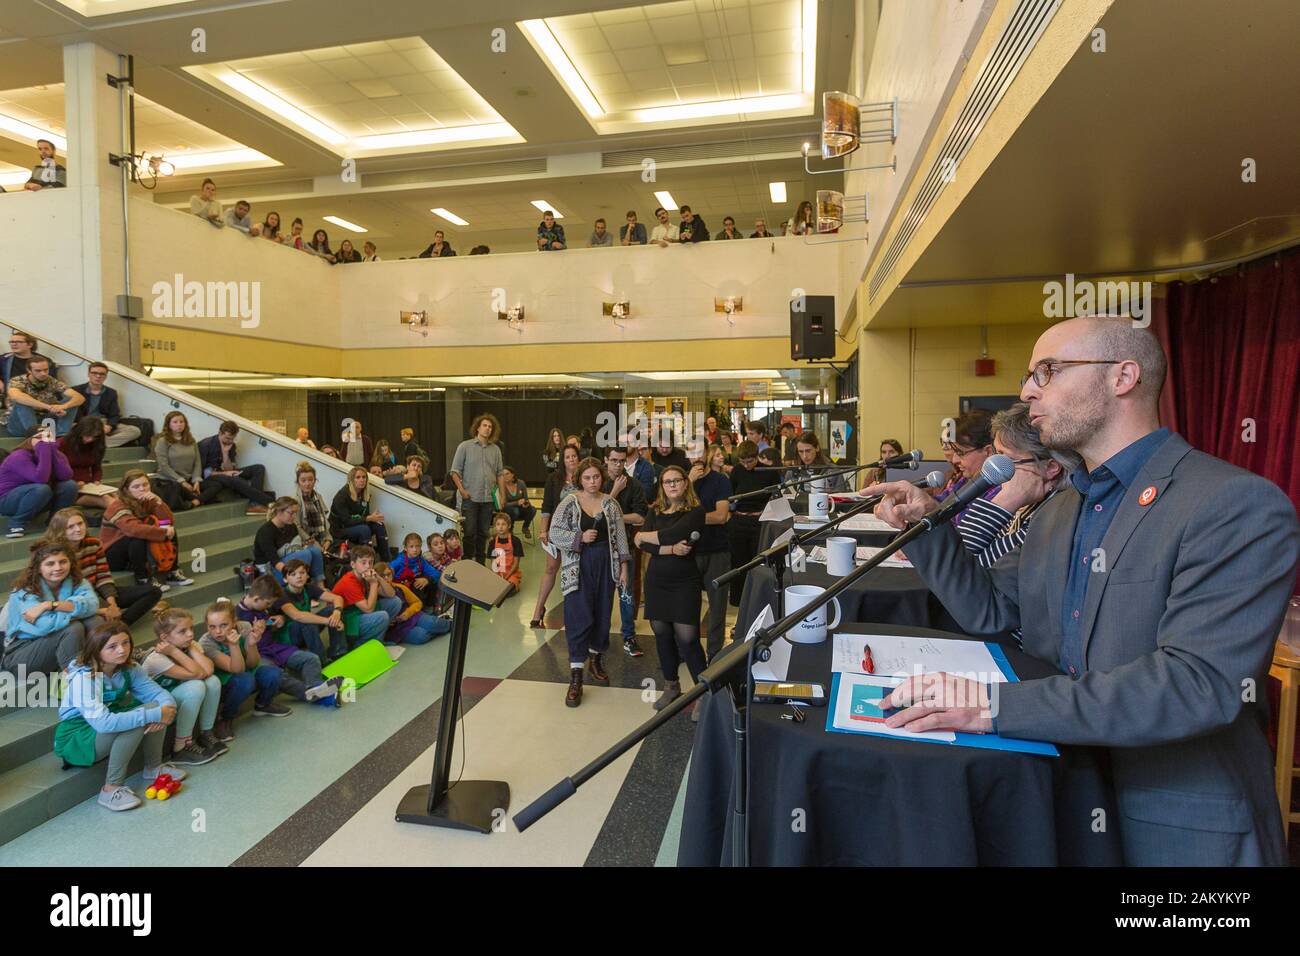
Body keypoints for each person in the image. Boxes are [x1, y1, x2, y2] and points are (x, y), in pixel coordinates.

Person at [867, 315, 1300, 866]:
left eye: (1048, 371)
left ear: (1123, 377)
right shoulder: (1061, 507)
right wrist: (927, 526)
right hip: (1064, 799)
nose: (1027, 391)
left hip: (1176, 826)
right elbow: (990, 611)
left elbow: (1196, 685)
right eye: (1030, 375)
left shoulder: (1232, 504)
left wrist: (992, 706)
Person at [55, 619, 181, 812]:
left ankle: (154, 768)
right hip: (77, 737)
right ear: (97, 650)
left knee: (152, 708)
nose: (122, 650)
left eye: (125, 643)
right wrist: (154, 714)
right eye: (112, 646)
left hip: (107, 722)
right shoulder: (84, 678)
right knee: (141, 717)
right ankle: (110, 789)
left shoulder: (130, 668)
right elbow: (103, 723)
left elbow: (160, 696)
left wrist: (165, 711)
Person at [547, 458, 630, 707]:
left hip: (606, 564)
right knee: (578, 616)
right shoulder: (569, 502)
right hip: (578, 566)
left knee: (603, 614)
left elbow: (621, 538)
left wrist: (624, 567)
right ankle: (576, 676)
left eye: (596, 477)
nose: (592, 482)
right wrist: (579, 537)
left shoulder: (611, 503)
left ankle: (595, 658)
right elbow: (554, 532)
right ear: (579, 479)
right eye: (587, 478)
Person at [957, 403, 1080, 570]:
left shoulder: (1054, 516)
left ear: (1050, 467)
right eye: (997, 454)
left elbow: (962, 569)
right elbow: (958, 553)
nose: (995, 466)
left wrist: (1005, 501)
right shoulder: (1029, 504)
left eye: (1006, 459)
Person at [635, 465, 707, 711]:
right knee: (662, 633)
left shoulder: (696, 511)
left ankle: (704, 693)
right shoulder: (655, 510)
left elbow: (669, 534)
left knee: (688, 638)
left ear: (686, 483)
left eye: (677, 480)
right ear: (662, 486)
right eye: (667, 482)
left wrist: (646, 536)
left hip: (684, 581)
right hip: (657, 580)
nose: (672, 485)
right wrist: (670, 548)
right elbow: (647, 545)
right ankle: (671, 686)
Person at [43, 507, 162, 627]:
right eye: (71, 527)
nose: (78, 529)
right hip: (76, 600)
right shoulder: (55, 553)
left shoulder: (94, 543)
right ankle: (112, 628)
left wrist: (112, 604)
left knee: (153, 591)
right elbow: (66, 592)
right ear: (60, 530)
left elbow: (103, 576)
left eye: (80, 523)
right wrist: (104, 609)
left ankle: (120, 625)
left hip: (97, 592)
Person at [236, 575, 342, 703]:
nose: (268, 607)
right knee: (277, 675)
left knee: (311, 658)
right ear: (257, 599)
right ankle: (312, 694)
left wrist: (279, 620)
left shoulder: (261, 607)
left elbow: (270, 626)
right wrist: (253, 633)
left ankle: (315, 686)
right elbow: (241, 649)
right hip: (257, 654)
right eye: (267, 603)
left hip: (274, 647)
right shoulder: (237, 616)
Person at [140, 608, 225, 766]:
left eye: (191, 628)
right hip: (158, 705)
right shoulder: (156, 658)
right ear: (164, 638)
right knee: (196, 686)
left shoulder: (190, 646)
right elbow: (198, 674)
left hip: (177, 697)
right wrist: (174, 651)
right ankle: (181, 746)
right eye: (183, 631)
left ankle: (206, 732)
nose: (190, 634)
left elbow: (208, 670)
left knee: (213, 681)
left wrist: (191, 648)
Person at [2, 541, 98, 676]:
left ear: (70, 563)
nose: (58, 567)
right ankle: (77, 682)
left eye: (63, 561)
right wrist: (77, 609)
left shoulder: (77, 582)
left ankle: (103, 670)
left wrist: (49, 605)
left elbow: (93, 605)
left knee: (95, 621)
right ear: (38, 567)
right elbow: (44, 625)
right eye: (50, 563)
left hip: (56, 645)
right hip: (22, 655)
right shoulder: (23, 591)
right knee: (73, 628)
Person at [198, 600, 290, 732]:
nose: (217, 631)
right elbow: (237, 670)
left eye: (223, 625)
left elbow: (252, 664)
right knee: (245, 680)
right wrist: (234, 645)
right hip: (225, 684)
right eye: (212, 627)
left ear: (234, 622)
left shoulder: (244, 627)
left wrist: (251, 644)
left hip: (244, 674)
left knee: (273, 673)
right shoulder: (206, 643)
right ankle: (225, 717)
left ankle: (262, 705)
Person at [101, 469, 193, 590]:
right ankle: (143, 580)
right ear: (126, 490)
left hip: (133, 551)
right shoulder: (118, 505)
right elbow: (133, 529)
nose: (142, 489)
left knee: (170, 530)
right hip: (113, 555)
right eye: (136, 486)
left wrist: (158, 502)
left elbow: (167, 521)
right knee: (137, 537)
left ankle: (172, 572)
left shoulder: (148, 500)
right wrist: (163, 533)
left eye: (145, 484)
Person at [602, 446, 648, 657]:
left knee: (626, 593)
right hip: (601, 547)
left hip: (625, 547)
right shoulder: (597, 482)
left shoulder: (635, 485)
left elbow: (640, 518)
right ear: (606, 460)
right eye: (613, 460)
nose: (618, 465)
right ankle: (598, 638)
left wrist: (614, 516)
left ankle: (628, 636)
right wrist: (614, 494)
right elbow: (596, 514)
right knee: (601, 593)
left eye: (621, 461)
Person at [689, 444, 732, 658]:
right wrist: (688, 483)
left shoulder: (720, 480)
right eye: (691, 452)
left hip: (717, 550)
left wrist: (689, 520)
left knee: (717, 608)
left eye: (699, 452)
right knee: (687, 606)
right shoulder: (682, 481)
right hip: (689, 552)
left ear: (706, 453)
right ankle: (690, 652)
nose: (696, 457)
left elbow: (721, 516)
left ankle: (714, 655)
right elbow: (672, 511)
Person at [531, 444, 579, 628]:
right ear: (563, 460)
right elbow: (547, 506)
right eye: (567, 457)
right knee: (551, 568)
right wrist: (543, 530)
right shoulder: (554, 478)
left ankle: (575, 613)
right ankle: (538, 609)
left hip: (578, 532)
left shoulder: (585, 477)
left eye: (574, 456)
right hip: (557, 531)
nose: (571, 459)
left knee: (575, 572)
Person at [0, 426, 78, 538]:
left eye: (49, 437)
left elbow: (66, 475)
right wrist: (45, 450)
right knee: (41, 488)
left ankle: (55, 522)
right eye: (40, 437)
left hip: (37, 497)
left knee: (70, 485)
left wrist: (53, 452)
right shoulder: (18, 456)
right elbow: (40, 479)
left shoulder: (53, 454)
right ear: (30, 440)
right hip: (7, 501)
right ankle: (15, 524)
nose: (45, 441)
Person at [449, 413, 505, 563]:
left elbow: (500, 474)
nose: (487, 429)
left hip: (488, 499)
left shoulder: (496, 450)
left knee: (484, 533)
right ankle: (467, 562)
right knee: (469, 533)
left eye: (490, 427)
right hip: (470, 498)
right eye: (485, 425)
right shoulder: (465, 447)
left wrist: (502, 496)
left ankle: (481, 564)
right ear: (478, 428)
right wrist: (461, 490)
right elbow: (454, 471)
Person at [727, 440, 775, 605]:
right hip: (739, 520)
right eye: (743, 462)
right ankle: (738, 600)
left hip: (759, 521)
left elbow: (775, 498)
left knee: (758, 562)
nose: (747, 466)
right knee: (738, 562)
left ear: (757, 457)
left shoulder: (768, 472)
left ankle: (758, 600)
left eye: (750, 461)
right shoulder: (736, 471)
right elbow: (731, 495)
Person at [274, 558, 347, 663]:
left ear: (307, 575)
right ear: (285, 579)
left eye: (302, 573)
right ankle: (322, 662)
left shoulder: (308, 588)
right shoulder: (281, 594)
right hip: (291, 637)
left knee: (332, 610)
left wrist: (337, 612)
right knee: (308, 622)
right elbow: (298, 616)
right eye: (293, 574)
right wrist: (330, 621)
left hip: (307, 631)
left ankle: (338, 652)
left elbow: (337, 598)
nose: (299, 576)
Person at [330, 545, 403, 651]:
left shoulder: (365, 576)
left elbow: (391, 594)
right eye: (363, 562)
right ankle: (361, 645)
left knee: (395, 602)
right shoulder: (348, 582)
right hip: (346, 620)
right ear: (353, 564)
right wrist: (373, 584)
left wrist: (377, 577)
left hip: (358, 612)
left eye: (371, 562)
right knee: (382, 616)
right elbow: (368, 609)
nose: (368, 566)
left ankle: (378, 641)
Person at [935, 409, 999, 525]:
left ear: (989, 451)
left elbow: (968, 529)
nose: (955, 460)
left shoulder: (1001, 492)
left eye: (961, 453)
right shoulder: (965, 480)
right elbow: (941, 502)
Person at [197, 420, 274, 513]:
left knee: (259, 468)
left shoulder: (231, 445)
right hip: (209, 477)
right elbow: (204, 473)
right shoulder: (206, 444)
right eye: (227, 438)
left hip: (223, 473)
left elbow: (229, 469)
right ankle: (271, 502)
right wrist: (226, 473)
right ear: (220, 433)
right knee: (235, 479)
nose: (230, 441)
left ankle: (254, 504)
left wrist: (225, 454)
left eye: (232, 438)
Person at [151, 411, 219, 511]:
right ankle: (201, 499)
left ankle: (195, 501)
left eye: (181, 421)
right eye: (175, 422)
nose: (179, 424)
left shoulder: (191, 440)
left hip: (188, 480)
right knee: (178, 490)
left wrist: (196, 480)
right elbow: (163, 466)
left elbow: (197, 462)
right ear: (168, 424)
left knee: (216, 485)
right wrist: (182, 481)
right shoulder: (163, 441)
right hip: (171, 480)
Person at [6, 353, 84, 437]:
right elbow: (16, 396)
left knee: (71, 400)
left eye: (46, 370)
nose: (43, 373)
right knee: (22, 402)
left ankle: (61, 435)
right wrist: (49, 407)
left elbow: (80, 398)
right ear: (29, 370)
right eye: (38, 371)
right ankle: (37, 436)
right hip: (20, 423)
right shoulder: (17, 381)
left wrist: (63, 407)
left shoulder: (51, 381)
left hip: (45, 420)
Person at [253, 496, 325, 584]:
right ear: (279, 512)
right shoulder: (265, 532)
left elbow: (293, 547)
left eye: (295, 513)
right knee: (305, 554)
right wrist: (297, 575)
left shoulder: (291, 525)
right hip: (271, 569)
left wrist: (305, 545)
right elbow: (275, 561)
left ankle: (320, 585)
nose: (294, 516)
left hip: (286, 561)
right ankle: (296, 585)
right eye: (291, 513)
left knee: (314, 550)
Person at [71, 362, 143, 448]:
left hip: (103, 423)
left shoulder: (111, 393)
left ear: (106, 376)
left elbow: (114, 415)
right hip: (84, 423)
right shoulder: (76, 390)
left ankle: (99, 442)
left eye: (102, 374)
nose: (98, 376)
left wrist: (110, 426)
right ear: (88, 374)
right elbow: (75, 414)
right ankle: (97, 439)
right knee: (70, 429)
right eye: (94, 373)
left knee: (134, 431)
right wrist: (92, 425)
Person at [378, 565, 451, 644]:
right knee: (421, 636)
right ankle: (438, 628)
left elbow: (417, 602)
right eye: (382, 576)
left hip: (412, 616)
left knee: (432, 623)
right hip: (395, 628)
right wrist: (387, 622)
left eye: (388, 574)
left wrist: (407, 613)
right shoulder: (375, 594)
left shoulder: (399, 587)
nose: (386, 578)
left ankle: (451, 624)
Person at [329, 466, 389, 557]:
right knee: (364, 529)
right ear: (351, 480)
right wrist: (369, 518)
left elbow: (363, 515)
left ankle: (386, 560)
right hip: (340, 529)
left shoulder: (364, 493)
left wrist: (373, 517)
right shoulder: (341, 496)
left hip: (355, 524)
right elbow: (346, 521)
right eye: (358, 477)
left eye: (364, 477)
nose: (362, 480)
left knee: (379, 525)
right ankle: (367, 559)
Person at [290, 461, 332, 555]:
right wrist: (313, 542)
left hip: (321, 539)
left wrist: (328, 539)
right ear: (298, 482)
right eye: (303, 480)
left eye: (310, 480)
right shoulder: (295, 501)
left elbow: (324, 522)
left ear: (315, 480)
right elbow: (297, 527)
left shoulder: (318, 496)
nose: (307, 483)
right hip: (305, 541)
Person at [391, 532, 441, 601]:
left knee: (432, 583)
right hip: (399, 588)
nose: (415, 550)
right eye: (411, 546)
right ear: (405, 548)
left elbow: (436, 573)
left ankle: (428, 607)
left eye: (417, 546)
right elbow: (387, 570)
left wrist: (427, 580)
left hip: (413, 586)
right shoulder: (400, 560)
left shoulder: (420, 561)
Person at [493, 465, 534, 538]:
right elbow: (503, 505)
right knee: (515, 511)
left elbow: (526, 498)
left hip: (521, 508)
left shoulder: (521, 483)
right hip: (507, 509)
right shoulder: (501, 486)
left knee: (533, 510)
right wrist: (517, 502)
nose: (505, 476)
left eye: (507, 474)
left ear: (513, 474)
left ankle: (525, 527)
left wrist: (526, 503)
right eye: (503, 475)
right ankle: (510, 528)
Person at [487, 512, 524, 592]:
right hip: (498, 573)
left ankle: (514, 584)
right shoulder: (492, 542)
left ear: (509, 526)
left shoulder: (515, 541)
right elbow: (493, 564)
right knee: (491, 588)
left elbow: (516, 563)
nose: (500, 527)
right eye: (498, 524)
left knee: (510, 590)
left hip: (512, 573)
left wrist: (507, 576)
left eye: (503, 524)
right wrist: (498, 576)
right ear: (495, 526)